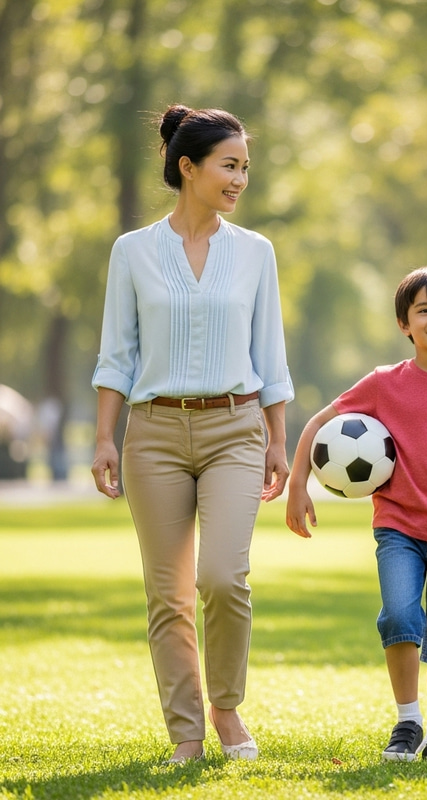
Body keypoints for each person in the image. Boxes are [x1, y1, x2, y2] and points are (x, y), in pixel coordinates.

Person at [90, 105, 294, 764]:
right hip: (152, 433)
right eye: (229, 166)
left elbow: (271, 353)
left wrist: (276, 438)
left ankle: (226, 709)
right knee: (168, 593)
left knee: (224, 577)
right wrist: (103, 438)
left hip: (235, 427)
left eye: (244, 168)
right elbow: (117, 354)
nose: (239, 179)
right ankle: (186, 733)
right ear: (188, 167)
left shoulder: (255, 252)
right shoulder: (133, 252)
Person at [286, 266, 427, 762]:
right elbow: (318, 423)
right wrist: (296, 485)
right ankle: (407, 721)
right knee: (398, 615)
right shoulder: (383, 384)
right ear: (404, 324)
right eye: (424, 310)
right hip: (400, 529)